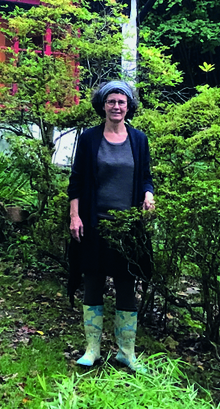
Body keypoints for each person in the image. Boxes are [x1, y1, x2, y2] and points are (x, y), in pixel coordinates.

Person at [67, 80, 154, 369]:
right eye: (111, 101)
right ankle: (92, 349)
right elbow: (76, 180)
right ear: (103, 105)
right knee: (92, 281)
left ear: (129, 106)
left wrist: (148, 194)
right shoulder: (90, 139)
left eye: (121, 102)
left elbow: (145, 177)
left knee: (126, 285)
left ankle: (126, 352)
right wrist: (75, 216)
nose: (116, 106)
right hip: (94, 224)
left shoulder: (139, 140)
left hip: (127, 228)